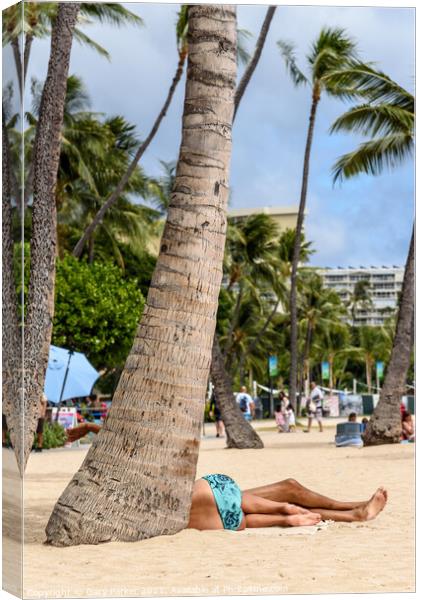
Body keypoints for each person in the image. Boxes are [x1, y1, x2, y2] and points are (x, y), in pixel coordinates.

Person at [187, 474, 388, 530]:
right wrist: (283, 507)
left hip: (223, 522)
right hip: (216, 494)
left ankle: (357, 512)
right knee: (290, 488)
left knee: (252, 513)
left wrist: (284, 519)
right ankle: (350, 507)